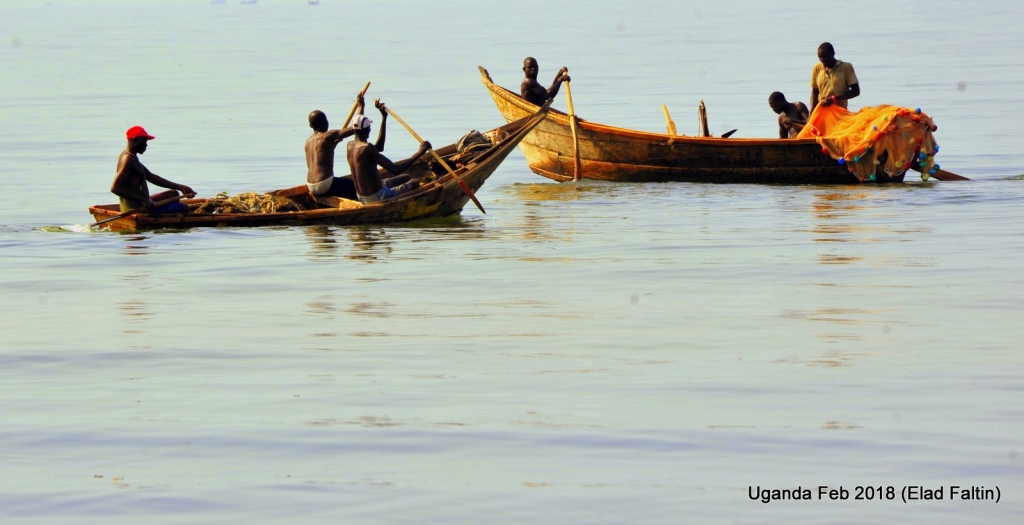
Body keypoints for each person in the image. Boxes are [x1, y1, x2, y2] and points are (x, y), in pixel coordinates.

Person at [346, 106, 432, 205]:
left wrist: (384, 118)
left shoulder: (350, 145)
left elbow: (379, 147)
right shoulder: (367, 148)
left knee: (406, 176)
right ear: (367, 130)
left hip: (361, 196)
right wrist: (420, 152)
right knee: (415, 181)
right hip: (376, 197)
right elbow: (396, 170)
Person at [110, 126, 195, 213]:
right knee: (184, 207)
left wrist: (180, 187)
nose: (146, 145)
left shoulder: (131, 156)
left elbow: (151, 177)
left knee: (174, 194)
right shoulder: (128, 159)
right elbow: (115, 188)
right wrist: (142, 200)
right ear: (134, 140)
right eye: (144, 141)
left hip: (142, 202)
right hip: (137, 208)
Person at [304, 95, 371, 198]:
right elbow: (357, 127)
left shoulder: (308, 142)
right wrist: (361, 106)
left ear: (310, 126)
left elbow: (321, 158)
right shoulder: (327, 136)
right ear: (327, 123)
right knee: (357, 186)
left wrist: (332, 145)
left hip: (310, 185)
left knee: (344, 184)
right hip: (325, 184)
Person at [810, 42, 860, 111]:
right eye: (820, 57)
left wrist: (835, 99)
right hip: (822, 111)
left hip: (840, 112)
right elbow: (814, 93)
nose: (822, 60)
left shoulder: (846, 67)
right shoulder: (817, 68)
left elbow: (856, 91)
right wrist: (811, 113)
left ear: (833, 53)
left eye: (825, 57)